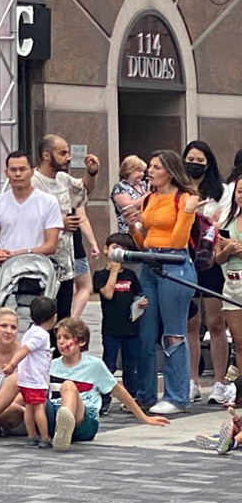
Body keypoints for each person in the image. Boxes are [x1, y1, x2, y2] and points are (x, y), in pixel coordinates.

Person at [125, 150, 201, 414]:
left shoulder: (184, 198)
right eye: (150, 167)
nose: (150, 172)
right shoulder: (149, 199)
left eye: (156, 167)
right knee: (145, 333)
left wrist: (188, 214)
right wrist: (134, 226)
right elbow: (144, 241)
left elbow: (179, 241)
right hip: (149, 263)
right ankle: (145, 394)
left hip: (175, 265)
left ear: (170, 171)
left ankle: (177, 395)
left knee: (173, 332)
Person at [49, 316, 170, 447]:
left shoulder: (94, 365)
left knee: (68, 386)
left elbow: (119, 391)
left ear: (81, 341)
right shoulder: (51, 365)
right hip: (55, 412)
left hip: (85, 419)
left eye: (66, 337)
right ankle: (55, 429)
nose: (61, 342)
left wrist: (143, 418)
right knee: (36, 400)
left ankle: (65, 426)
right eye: (58, 338)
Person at [181, 140, 230, 402]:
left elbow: (221, 221)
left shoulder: (221, 191)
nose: (194, 164)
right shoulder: (180, 189)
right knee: (191, 322)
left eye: (200, 160)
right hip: (184, 257)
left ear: (208, 162)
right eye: (190, 159)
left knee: (215, 322)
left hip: (210, 258)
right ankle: (192, 381)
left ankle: (220, 383)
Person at [35, 134, 101, 317]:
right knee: (43, 316)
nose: (68, 157)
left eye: (68, 152)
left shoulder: (63, 178)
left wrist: (92, 173)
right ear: (47, 155)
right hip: (41, 263)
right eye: (62, 153)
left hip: (65, 263)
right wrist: (59, 223)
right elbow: (26, 219)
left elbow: (84, 189)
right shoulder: (32, 182)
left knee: (62, 316)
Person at [0, 150, 63, 270]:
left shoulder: (48, 202)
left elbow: (51, 246)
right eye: (13, 170)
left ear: (32, 171)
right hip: (4, 270)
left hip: (37, 270)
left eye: (22, 169)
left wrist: (26, 253)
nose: (18, 174)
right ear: (6, 173)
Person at [92, 234, 146, 396]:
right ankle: (104, 399)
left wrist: (142, 303)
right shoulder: (100, 275)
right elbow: (107, 294)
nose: (118, 252)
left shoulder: (130, 275)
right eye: (115, 248)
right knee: (109, 364)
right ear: (106, 249)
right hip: (111, 329)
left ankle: (132, 397)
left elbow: (138, 294)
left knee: (131, 365)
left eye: (123, 249)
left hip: (131, 328)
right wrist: (114, 271)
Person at [211, 153, 242, 405]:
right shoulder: (227, 221)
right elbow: (218, 258)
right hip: (231, 284)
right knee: (239, 341)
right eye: (239, 192)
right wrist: (229, 250)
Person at [12, 296, 58, 446]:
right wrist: (12, 364)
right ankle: (45, 437)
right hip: (36, 379)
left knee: (29, 407)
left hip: (25, 378)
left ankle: (32, 436)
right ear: (53, 317)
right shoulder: (42, 335)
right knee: (39, 407)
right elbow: (25, 349)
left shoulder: (30, 331)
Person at [110, 155, 150, 232]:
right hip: (129, 232)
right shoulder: (120, 188)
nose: (142, 174)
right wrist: (148, 195)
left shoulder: (145, 186)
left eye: (143, 171)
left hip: (147, 230)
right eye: (139, 171)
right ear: (129, 170)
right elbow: (130, 207)